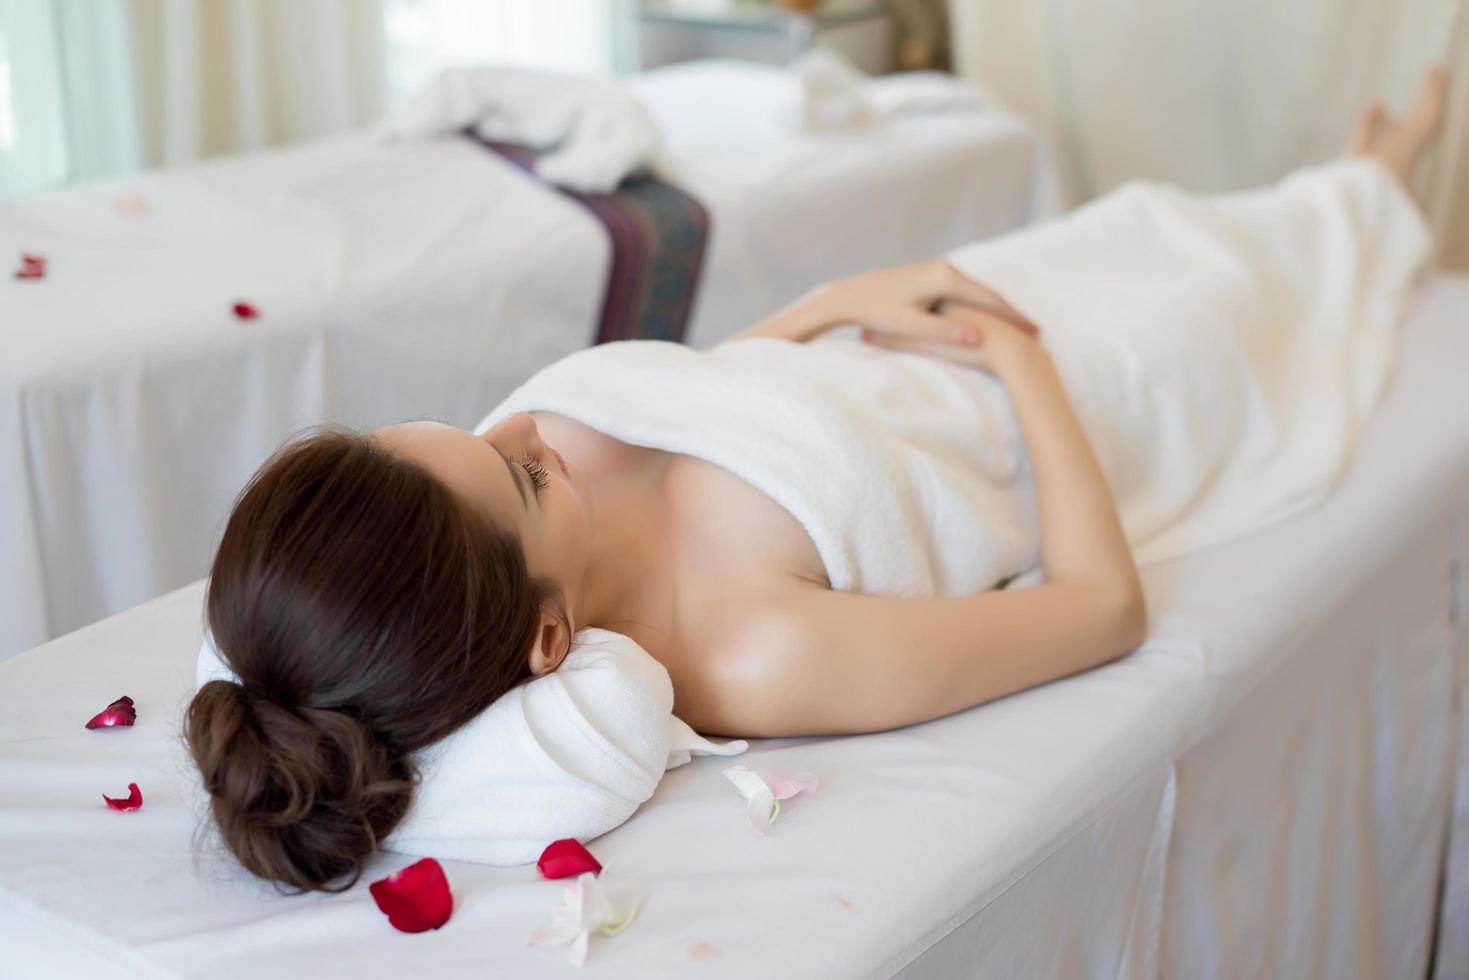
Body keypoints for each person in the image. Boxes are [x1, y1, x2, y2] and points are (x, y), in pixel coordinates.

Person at [185, 69, 1448, 892]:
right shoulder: (755, 648)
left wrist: (840, 300)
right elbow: (1099, 608)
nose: (534, 434)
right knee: (1238, 288)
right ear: (548, 634)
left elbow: (706, 394)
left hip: (917, 326)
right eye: (523, 478)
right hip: (1066, 399)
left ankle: (1341, 188)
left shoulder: (502, 479)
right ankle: (1373, 192)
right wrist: (1022, 358)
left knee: (1154, 219)